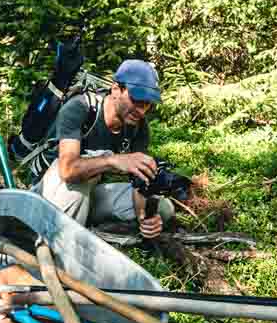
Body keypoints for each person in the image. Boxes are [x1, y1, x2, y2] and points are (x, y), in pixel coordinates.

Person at [34, 59, 176, 239]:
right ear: (116, 89)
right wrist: (112, 160)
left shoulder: (138, 127)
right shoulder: (80, 108)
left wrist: (144, 217)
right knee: (78, 186)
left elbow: (139, 182)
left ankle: (92, 230)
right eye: (136, 100)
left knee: (162, 207)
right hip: (52, 193)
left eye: (147, 104)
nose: (141, 111)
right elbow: (67, 170)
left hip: (91, 195)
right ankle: (59, 245)